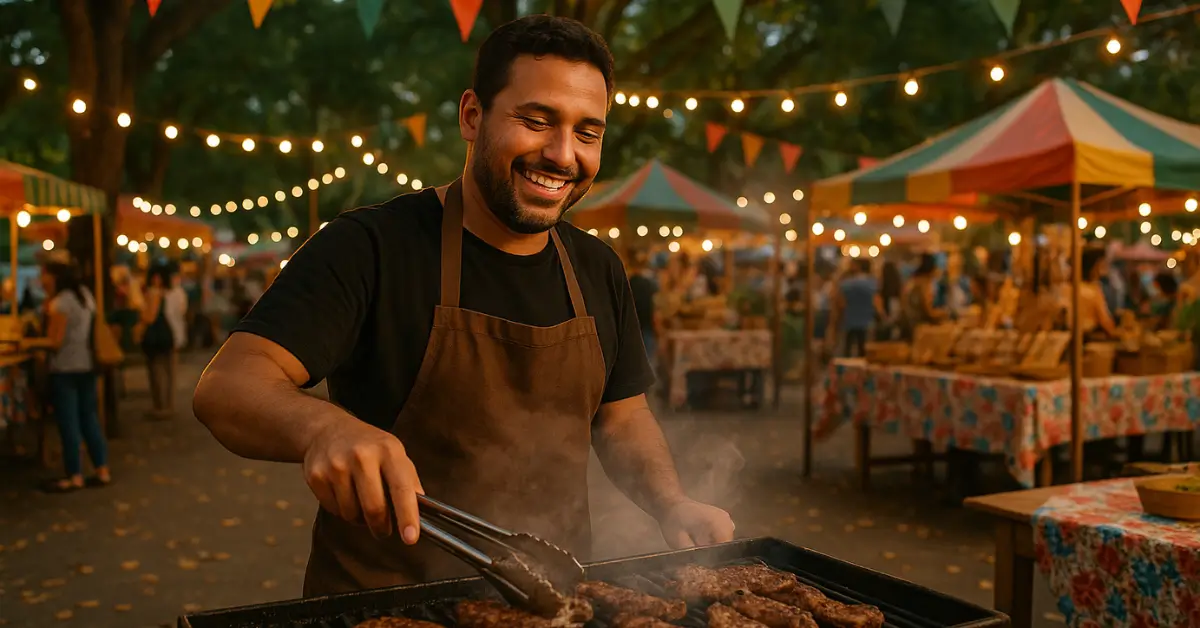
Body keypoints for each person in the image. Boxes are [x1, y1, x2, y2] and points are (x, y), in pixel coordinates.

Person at [193, 15, 734, 596]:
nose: (561, 154)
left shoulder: (598, 268)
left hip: (551, 599)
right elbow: (227, 386)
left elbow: (622, 418)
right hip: (385, 601)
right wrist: (323, 427)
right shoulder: (370, 246)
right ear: (472, 116)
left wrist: (671, 503)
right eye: (536, 121)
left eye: (587, 132)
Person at [36, 261, 109, 493]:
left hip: (65, 368)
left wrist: (33, 343)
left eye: (44, 275)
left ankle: (75, 474)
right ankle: (101, 469)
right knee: (89, 418)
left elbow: (54, 341)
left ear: (55, 277)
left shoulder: (61, 303)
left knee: (69, 422)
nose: (42, 279)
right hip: (87, 364)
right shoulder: (86, 296)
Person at [140, 265, 178, 420]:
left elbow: (150, 317)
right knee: (167, 371)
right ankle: (167, 405)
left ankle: (160, 405)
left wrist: (140, 311)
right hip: (167, 332)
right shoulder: (169, 293)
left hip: (156, 335)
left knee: (157, 371)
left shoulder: (152, 293)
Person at [829, 258, 877, 357]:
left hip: (849, 320)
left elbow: (840, 302)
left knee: (847, 349)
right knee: (863, 350)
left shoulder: (846, 284)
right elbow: (876, 302)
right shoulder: (873, 284)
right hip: (867, 321)